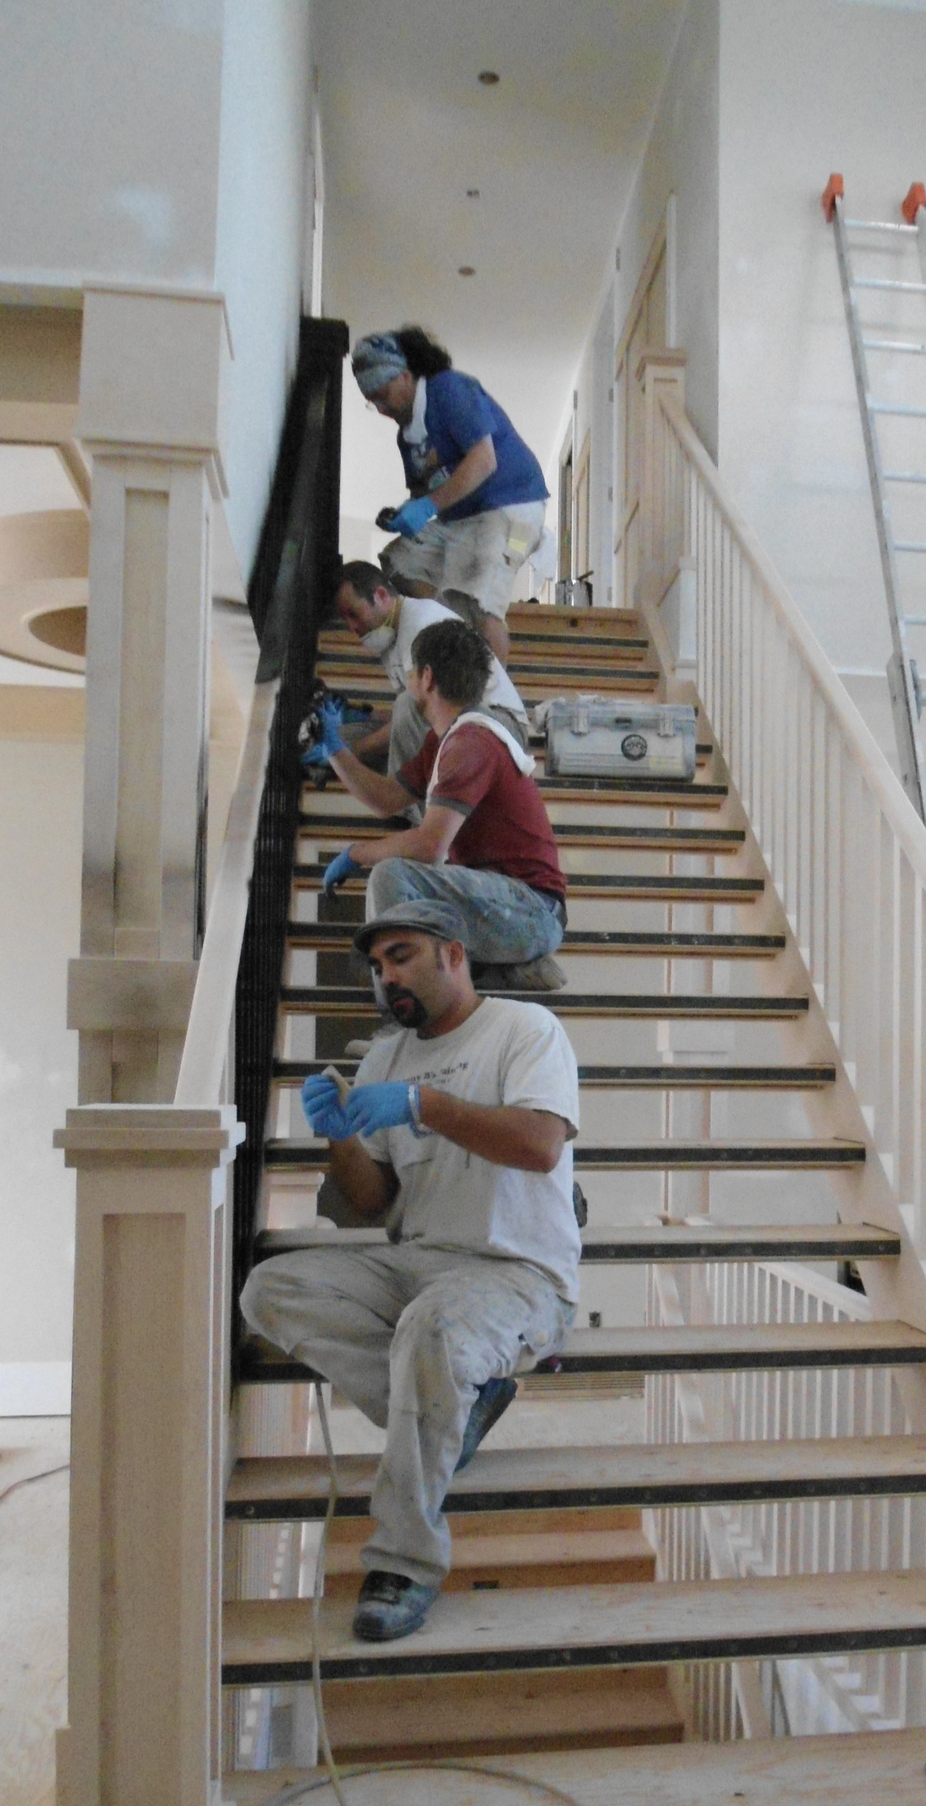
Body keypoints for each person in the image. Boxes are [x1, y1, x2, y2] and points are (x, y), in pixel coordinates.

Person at [240, 896, 581, 1643]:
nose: (385, 976)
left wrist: (427, 1104)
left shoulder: (525, 1030)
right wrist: (338, 1136)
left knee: (430, 1329)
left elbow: (539, 1145)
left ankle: (403, 1562)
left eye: (401, 957)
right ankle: (459, 1409)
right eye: (377, 964)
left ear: (453, 954)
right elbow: (372, 1201)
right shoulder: (384, 1058)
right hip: (415, 1261)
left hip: (518, 1272)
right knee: (272, 1288)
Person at [306, 614, 567, 993]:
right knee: (402, 889)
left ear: (427, 677)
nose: (408, 681)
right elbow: (386, 800)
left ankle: (402, 1013)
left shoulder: (470, 744)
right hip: (505, 901)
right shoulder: (447, 739)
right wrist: (334, 748)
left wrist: (356, 853)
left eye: (411, 672)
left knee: (392, 876)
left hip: (532, 910)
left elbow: (430, 845)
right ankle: (492, 972)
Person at [351, 326, 548, 667]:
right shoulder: (407, 438)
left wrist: (428, 505)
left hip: (516, 510)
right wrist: (406, 511)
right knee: (401, 561)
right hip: (462, 520)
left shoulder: (448, 388)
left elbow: (484, 460)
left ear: (405, 375)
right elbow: (425, 490)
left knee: (481, 600)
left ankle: (493, 691)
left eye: (383, 394)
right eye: (373, 402)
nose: (382, 408)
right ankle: (455, 632)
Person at [330, 560, 527, 782]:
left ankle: (405, 803)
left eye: (353, 614)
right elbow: (415, 720)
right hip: (457, 721)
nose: (352, 627)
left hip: (500, 724)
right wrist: (364, 720)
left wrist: (354, 751)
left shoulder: (421, 624)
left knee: (402, 709)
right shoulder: (388, 635)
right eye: (344, 619)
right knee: (342, 737)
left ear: (381, 595)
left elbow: (422, 709)